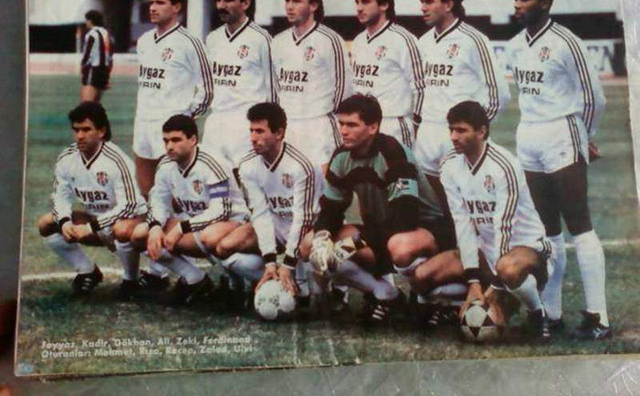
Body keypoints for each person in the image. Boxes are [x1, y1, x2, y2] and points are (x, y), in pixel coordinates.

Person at [507, 0, 609, 339]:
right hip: (529, 136)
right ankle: (552, 313)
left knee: (579, 224)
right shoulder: (515, 45)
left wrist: (585, 135)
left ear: (546, 3)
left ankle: (599, 317)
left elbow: (594, 97)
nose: (518, 5)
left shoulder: (567, 42)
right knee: (547, 230)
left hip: (561, 133)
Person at [304, 94, 451, 324]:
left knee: (400, 247)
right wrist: (323, 239)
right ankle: (384, 294)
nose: (343, 131)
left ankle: (428, 297)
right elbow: (331, 210)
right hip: (380, 229)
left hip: (423, 229)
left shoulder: (393, 152)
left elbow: (405, 218)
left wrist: (351, 245)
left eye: (352, 125)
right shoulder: (341, 157)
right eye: (341, 124)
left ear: (373, 127)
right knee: (310, 245)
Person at [436, 101, 554, 341]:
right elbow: (462, 222)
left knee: (507, 268)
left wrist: (496, 285)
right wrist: (473, 281)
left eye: (461, 130)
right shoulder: (449, 165)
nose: (454, 137)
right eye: (451, 130)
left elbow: (504, 224)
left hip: (528, 247)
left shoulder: (504, 165)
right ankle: (468, 305)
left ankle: (537, 313)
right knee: (424, 277)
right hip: (488, 251)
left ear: (482, 131)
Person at [413, 0, 510, 214]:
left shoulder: (473, 40)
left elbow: (499, 93)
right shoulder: (423, 42)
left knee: (470, 210)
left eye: (429, 1)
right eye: (422, 1)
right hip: (427, 137)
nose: (423, 7)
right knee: (438, 212)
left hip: (457, 136)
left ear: (448, 4)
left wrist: (474, 131)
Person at [208, 103, 322, 305]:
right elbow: (261, 214)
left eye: (260, 131)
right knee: (224, 246)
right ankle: (272, 280)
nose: (253, 137)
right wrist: (270, 261)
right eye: (251, 130)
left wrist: (288, 263)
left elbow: (303, 218)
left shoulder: (302, 165)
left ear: (279, 133)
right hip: (276, 225)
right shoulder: (247, 165)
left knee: (312, 251)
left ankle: (323, 290)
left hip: (309, 228)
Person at [130, 115, 248, 305]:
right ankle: (195, 279)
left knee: (210, 236)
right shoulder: (165, 165)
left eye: (176, 140)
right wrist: (155, 226)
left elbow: (221, 210)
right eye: (166, 141)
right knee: (140, 234)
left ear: (193, 140)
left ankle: (237, 284)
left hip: (232, 223)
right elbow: (158, 202)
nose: (169, 146)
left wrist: (181, 228)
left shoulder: (211, 163)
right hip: (196, 226)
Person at [37, 102, 147, 297]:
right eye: (76, 130)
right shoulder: (67, 158)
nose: (80, 136)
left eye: (86, 129)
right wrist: (64, 222)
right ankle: (87, 271)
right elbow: (60, 197)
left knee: (121, 229)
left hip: (129, 223)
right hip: (95, 223)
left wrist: (92, 227)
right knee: (46, 223)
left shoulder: (116, 160)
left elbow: (129, 205)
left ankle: (131, 280)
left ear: (101, 131)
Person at [134, 0, 214, 199]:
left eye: (160, 3)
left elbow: (208, 88)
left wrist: (186, 116)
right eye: (151, 2)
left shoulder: (190, 42)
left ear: (177, 7)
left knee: (175, 191)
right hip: (143, 123)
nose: (153, 8)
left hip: (170, 126)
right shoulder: (144, 41)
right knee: (146, 190)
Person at [272, 0, 352, 172]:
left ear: (313, 5)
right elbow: (276, 87)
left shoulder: (330, 40)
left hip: (318, 126)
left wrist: (327, 115)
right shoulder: (278, 41)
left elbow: (343, 88)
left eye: (297, 1)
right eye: (287, 0)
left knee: (324, 184)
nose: (289, 6)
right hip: (288, 125)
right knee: (288, 182)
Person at [202, 0, 278, 170]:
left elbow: (274, 89)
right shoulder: (213, 38)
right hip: (216, 122)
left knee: (247, 181)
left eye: (228, 0)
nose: (221, 5)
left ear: (245, 3)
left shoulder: (261, 39)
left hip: (245, 124)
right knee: (213, 180)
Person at [350, 0, 424, 148]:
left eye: (366, 2)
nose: (359, 8)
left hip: (393, 125)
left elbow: (421, 88)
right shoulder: (358, 41)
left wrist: (416, 125)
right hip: (363, 127)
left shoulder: (403, 39)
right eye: (357, 2)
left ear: (384, 5)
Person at [80, 10, 114, 103]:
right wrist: (107, 74)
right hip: (104, 70)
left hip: (93, 69)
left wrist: (82, 67)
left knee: (86, 105)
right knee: (95, 104)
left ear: (90, 21)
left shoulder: (91, 34)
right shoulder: (107, 34)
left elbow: (87, 54)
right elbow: (110, 55)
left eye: (87, 20)